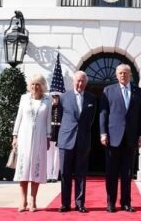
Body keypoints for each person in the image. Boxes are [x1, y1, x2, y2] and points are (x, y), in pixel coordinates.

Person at [99, 64, 141, 213]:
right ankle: (111, 202)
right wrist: (103, 133)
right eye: (120, 73)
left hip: (131, 138)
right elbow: (103, 114)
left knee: (127, 173)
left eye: (125, 73)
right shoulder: (108, 91)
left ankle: (126, 202)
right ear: (116, 75)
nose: (123, 76)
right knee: (111, 173)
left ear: (130, 75)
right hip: (113, 138)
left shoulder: (139, 92)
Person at [12, 74, 52, 212]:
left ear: (42, 86)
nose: (35, 87)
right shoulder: (24, 98)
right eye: (33, 84)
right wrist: (15, 136)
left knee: (37, 168)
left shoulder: (48, 99)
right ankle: (22, 200)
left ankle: (33, 199)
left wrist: (48, 137)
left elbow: (48, 120)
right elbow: (19, 117)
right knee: (24, 168)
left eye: (38, 84)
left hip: (40, 137)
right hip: (24, 137)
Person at [58, 71, 96, 213]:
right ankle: (65, 203)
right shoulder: (63, 97)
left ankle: (80, 203)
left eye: (83, 81)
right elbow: (62, 117)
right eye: (78, 81)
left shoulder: (92, 98)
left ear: (86, 83)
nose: (80, 84)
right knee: (65, 174)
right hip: (66, 140)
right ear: (73, 81)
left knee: (81, 174)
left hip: (83, 141)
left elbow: (91, 120)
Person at [47, 94, 61, 183]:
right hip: (50, 134)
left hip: (58, 134)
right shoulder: (49, 108)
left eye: (56, 98)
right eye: (53, 98)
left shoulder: (61, 109)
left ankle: (55, 176)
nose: (55, 100)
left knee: (57, 157)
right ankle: (48, 175)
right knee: (49, 156)